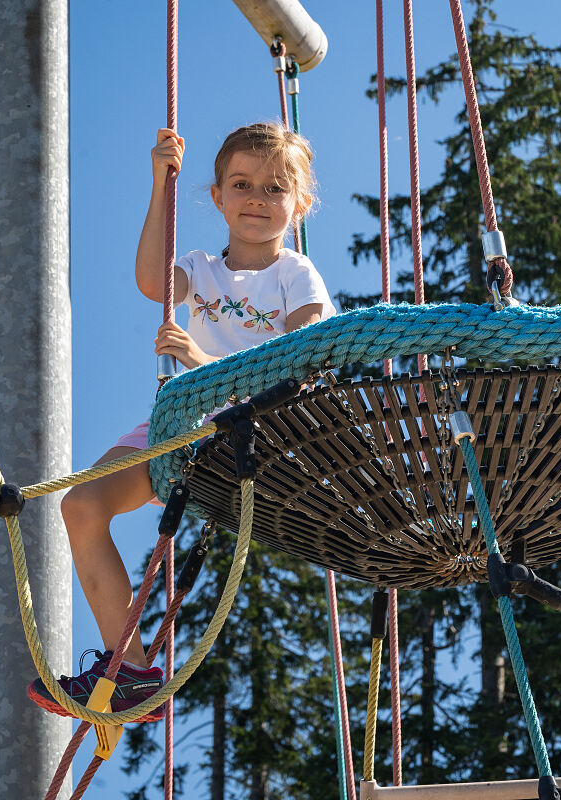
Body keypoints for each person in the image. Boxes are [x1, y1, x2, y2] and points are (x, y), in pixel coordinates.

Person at [29, 123, 335, 722]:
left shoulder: (295, 275)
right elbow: (152, 282)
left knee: (97, 496)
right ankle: (132, 673)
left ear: (299, 205)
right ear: (217, 195)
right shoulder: (197, 267)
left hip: (253, 431)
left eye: (275, 188)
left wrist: (201, 362)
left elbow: (294, 364)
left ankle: (130, 673)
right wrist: (160, 184)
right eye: (241, 184)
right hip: (184, 422)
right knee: (80, 506)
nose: (255, 198)